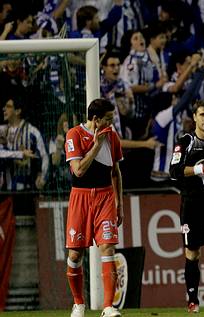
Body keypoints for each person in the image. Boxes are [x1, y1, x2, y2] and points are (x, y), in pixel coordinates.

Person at [64, 98, 123, 317]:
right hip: (80, 198)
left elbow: (116, 171)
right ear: (96, 119)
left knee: (108, 248)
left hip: (105, 196)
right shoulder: (74, 135)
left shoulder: (113, 136)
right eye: (108, 118)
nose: (111, 122)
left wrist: (120, 204)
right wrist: (97, 145)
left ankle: (108, 306)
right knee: (75, 254)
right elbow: (78, 171)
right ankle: (79, 303)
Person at [168, 100, 204, 313]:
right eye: (202, 114)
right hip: (192, 205)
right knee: (193, 253)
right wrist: (201, 168)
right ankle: (193, 301)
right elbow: (174, 172)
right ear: (194, 117)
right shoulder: (185, 141)